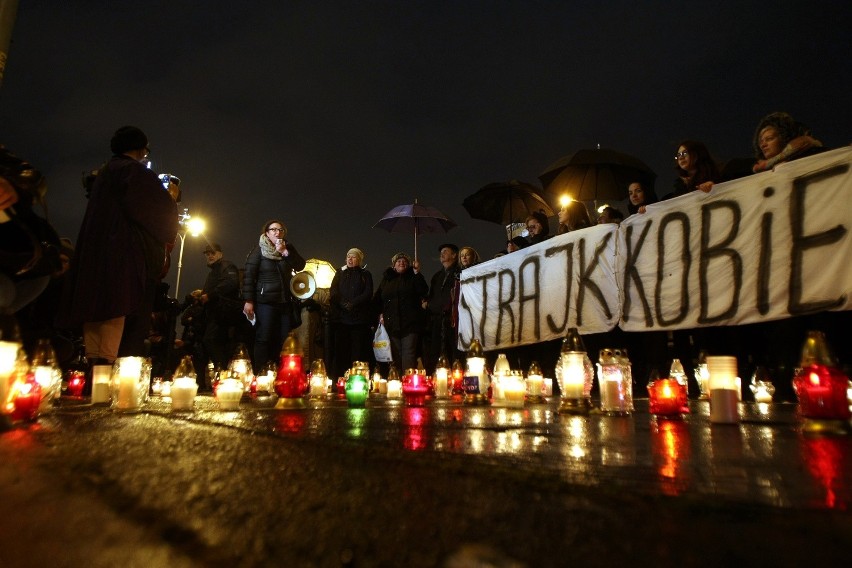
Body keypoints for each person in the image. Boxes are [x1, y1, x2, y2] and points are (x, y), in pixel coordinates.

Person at [59, 126, 178, 366]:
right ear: (141, 148)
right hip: (123, 250)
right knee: (119, 306)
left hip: (95, 250)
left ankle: (95, 370)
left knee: (95, 306)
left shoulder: (104, 173)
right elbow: (158, 213)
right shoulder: (134, 172)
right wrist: (171, 200)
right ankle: (114, 374)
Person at [242, 220, 306, 369]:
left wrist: (285, 252)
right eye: (274, 230)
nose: (278, 232)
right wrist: (248, 300)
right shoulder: (258, 251)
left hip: (284, 302)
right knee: (263, 338)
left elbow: (300, 265)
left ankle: (280, 372)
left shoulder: (287, 248)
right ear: (267, 233)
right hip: (265, 302)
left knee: (284, 339)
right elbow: (249, 276)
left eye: (281, 230)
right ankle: (260, 373)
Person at [373, 252, 428, 372]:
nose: (401, 263)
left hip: (410, 323)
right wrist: (380, 313)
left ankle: (407, 382)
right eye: (398, 261)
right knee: (395, 355)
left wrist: (417, 272)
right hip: (392, 323)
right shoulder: (387, 280)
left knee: (409, 354)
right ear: (394, 265)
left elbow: (423, 290)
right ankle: (396, 382)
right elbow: (378, 299)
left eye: (404, 261)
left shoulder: (413, 277)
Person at [329, 247, 374, 380]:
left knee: (357, 350)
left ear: (359, 260)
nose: (350, 259)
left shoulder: (365, 274)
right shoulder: (340, 273)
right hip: (341, 319)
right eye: (348, 256)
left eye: (353, 257)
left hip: (359, 320)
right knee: (341, 350)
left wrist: (353, 303)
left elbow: (368, 293)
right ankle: (340, 378)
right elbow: (334, 291)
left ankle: (357, 378)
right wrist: (343, 303)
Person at [200, 243, 241, 379]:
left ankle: (224, 372)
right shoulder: (214, 271)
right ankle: (224, 374)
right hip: (215, 313)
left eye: (213, 253)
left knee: (210, 340)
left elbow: (231, 283)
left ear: (220, 254)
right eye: (207, 254)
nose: (210, 256)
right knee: (218, 343)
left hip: (223, 313)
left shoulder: (226, 266)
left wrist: (209, 295)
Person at [425, 243, 461, 373]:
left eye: (445, 251)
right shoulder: (437, 276)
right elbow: (432, 295)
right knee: (436, 351)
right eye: (441, 252)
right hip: (437, 319)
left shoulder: (459, 273)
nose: (442, 254)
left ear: (454, 255)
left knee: (453, 351)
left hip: (452, 319)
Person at [752, 112, 825, 172]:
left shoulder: (807, 156)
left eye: (770, 139)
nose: (763, 145)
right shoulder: (758, 169)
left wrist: (768, 164)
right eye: (761, 142)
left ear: (784, 138)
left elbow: (805, 141)